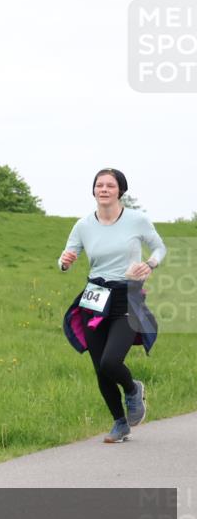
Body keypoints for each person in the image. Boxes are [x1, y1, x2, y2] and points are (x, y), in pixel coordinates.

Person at [59, 168, 166, 443]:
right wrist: (65, 262)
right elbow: (66, 257)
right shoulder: (83, 225)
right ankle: (120, 423)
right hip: (94, 297)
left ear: (120, 190)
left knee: (111, 361)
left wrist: (150, 263)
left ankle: (132, 390)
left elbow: (159, 248)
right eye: (99, 185)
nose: (103, 189)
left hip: (127, 295)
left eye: (110, 185)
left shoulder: (137, 220)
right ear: (93, 190)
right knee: (100, 366)